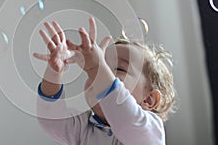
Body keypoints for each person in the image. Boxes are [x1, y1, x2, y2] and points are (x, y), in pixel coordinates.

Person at [33, 17, 176, 145]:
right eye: (104, 67)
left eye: (118, 69)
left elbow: (124, 116)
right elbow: (51, 120)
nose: (99, 75)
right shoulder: (85, 127)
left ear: (149, 99)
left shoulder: (149, 130)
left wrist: (97, 67)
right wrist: (54, 72)